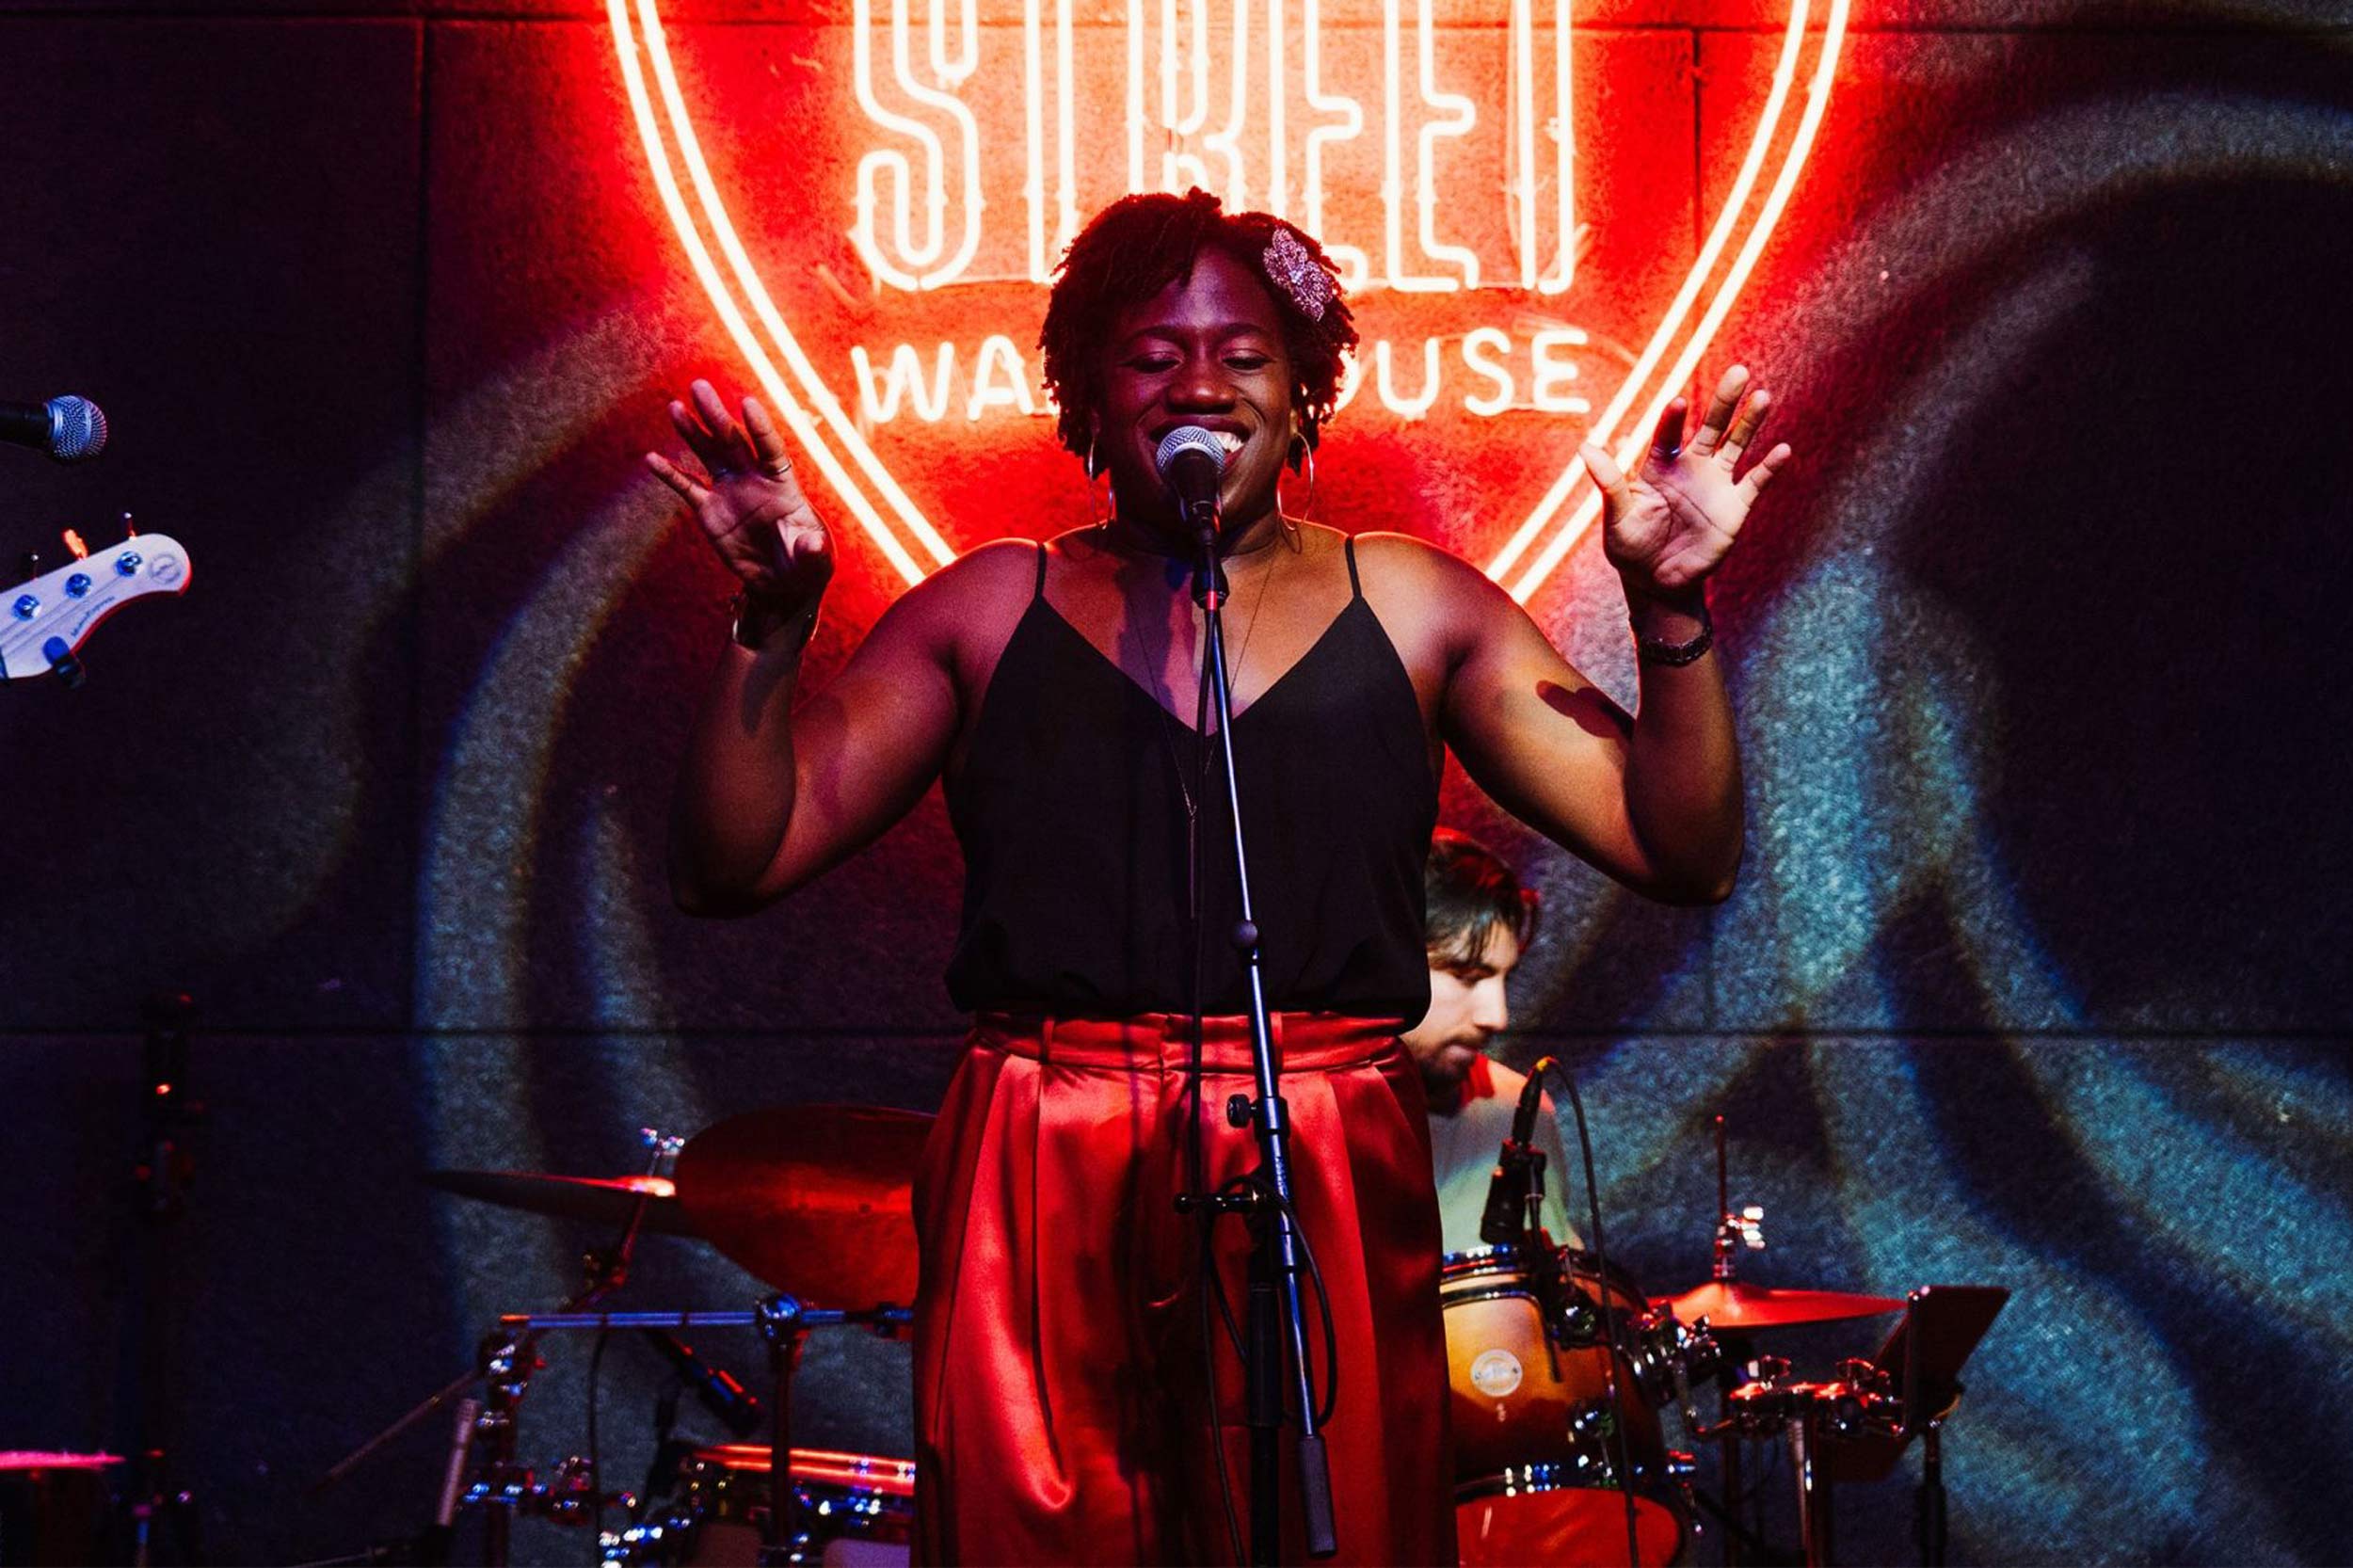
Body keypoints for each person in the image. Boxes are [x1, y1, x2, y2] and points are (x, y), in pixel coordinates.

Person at [648, 187, 1787, 1565]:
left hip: (1319, 1138)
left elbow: (1681, 846)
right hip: (1048, 1143)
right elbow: (735, 859)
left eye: (1245, 353)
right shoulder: (989, 604)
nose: (1202, 382)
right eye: (1153, 352)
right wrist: (768, 632)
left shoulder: (1413, 600)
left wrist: (1670, 611)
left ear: (1304, 386)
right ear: (1085, 388)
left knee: (1331, 1529)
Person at [1401, 829, 1580, 1256]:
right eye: (1467, 976)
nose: (1496, 1017)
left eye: (1505, 979)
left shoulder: (1517, 1107)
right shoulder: (1302, 1113)